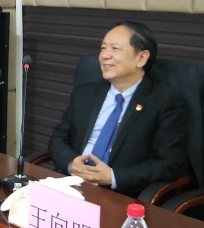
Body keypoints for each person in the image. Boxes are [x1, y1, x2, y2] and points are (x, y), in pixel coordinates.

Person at [48, 21, 188, 197]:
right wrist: (71, 163)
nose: (104, 55)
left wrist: (113, 177)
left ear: (141, 58)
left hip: (120, 195)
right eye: (103, 48)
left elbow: (168, 164)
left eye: (115, 48)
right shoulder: (85, 93)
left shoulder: (165, 101)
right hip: (71, 185)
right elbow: (58, 138)